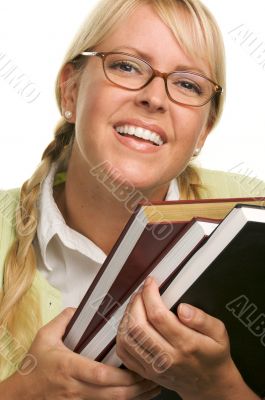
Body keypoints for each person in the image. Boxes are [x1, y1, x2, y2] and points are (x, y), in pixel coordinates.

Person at [0, 0, 264, 399]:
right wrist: (21, 392)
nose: (155, 98)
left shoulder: (254, 219)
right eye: (126, 65)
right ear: (70, 90)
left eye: (187, 83)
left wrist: (219, 388)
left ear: (204, 132)